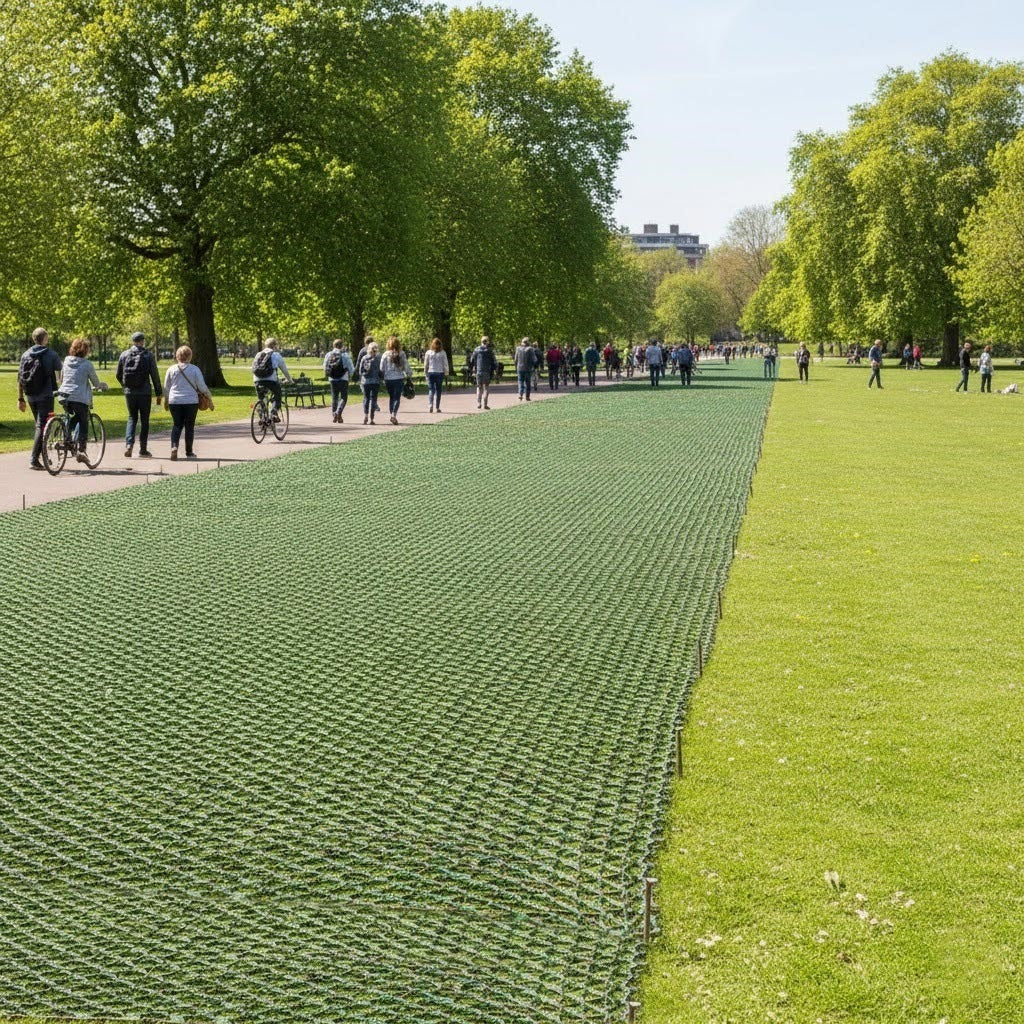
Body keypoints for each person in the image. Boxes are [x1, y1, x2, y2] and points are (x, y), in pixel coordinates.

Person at [55, 338, 109, 464]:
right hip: (79, 398)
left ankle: (66, 439)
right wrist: (103, 386)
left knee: (76, 417)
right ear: (86, 351)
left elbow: (62, 379)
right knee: (84, 421)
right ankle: (81, 450)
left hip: (64, 396)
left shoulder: (66, 360)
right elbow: (96, 382)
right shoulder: (87, 364)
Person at [16, 327, 63, 470]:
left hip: (30, 395)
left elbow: (20, 378)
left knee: (40, 424)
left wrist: (20, 398)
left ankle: (42, 455)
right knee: (42, 425)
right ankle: (34, 459)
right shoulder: (51, 354)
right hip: (46, 395)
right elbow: (61, 371)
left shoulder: (25, 354)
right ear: (45, 339)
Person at [116, 331, 162, 457]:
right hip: (145, 392)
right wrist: (158, 393)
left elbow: (118, 375)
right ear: (142, 341)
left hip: (129, 392)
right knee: (144, 420)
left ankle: (129, 444)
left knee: (132, 418)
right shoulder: (148, 355)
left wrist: (125, 386)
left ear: (133, 341)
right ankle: (143, 449)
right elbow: (155, 375)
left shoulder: (124, 354)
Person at [162, 345, 213, 460]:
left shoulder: (171, 369)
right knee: (189, 426)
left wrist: (166, 400)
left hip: (174, 401)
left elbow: (166, 387)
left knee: (177, 425)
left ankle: (174, 447)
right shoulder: (194, 369)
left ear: (177, 356)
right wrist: (209, 398)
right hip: (191, 401)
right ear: (189, 356)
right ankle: (189, 452)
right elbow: (202, 387)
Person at [252, 337, 293, 416]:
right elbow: (284, 369)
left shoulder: (258, 354)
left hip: (257, 379)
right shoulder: (276, 355)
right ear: (274, 346)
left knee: (262, 397)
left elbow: (254, 368)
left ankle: (261, 412)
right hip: (271, 379)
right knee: (277, 393)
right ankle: (273, 411)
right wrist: (289, 380)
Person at [380, 335, 412, 425]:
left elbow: (381, 368)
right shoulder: (402, 354)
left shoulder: (385, 354)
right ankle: (393, 414)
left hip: (388, 379)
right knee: (397, 398)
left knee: (391, 397)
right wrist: (409, 375)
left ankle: (391, 414)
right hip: (398, 378)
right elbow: (406, 366)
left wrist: (383, 376)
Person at [323, 339, 355, 423]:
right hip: (343, 378)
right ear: (341, 346)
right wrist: (351, 374)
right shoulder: (345, 355)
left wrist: (328, 374)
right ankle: (338, 412)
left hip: (332, 379)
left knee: (334, 397)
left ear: (334, 346)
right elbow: (351, 368)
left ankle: (335, 415)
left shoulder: (328, 355)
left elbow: (325, 366)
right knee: (344, 397)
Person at [355, 334, 382, 417]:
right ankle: (373, 411)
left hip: (365, 378)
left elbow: (359, 362)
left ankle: (366, 412)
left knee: (365, 395)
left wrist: (357, 373)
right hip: (375, 379)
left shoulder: (362, 351)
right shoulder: (378, 355)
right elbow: (381, 368)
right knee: (373, 396)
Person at [423, 337, 450, 413]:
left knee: (431, 390)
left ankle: (430, 405)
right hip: (440, 373)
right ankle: (437, 407)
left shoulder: (428, 353)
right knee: (438, 390)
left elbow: (426, 364)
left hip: (431, 372)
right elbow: (445, 364)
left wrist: (425, 372)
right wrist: (446, 373)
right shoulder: (443, 353)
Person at [471, 336, 498, 409]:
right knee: (486, 388)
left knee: (479, 387)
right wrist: (495, 369)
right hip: (487, 371)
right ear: (487, 341)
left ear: (481, 341)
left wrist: (473, 368)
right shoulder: (490, 351)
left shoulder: (476, 350)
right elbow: (495, 362)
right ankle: (485, 404)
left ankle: (479, 403)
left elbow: (472, 360)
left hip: (479, 371)